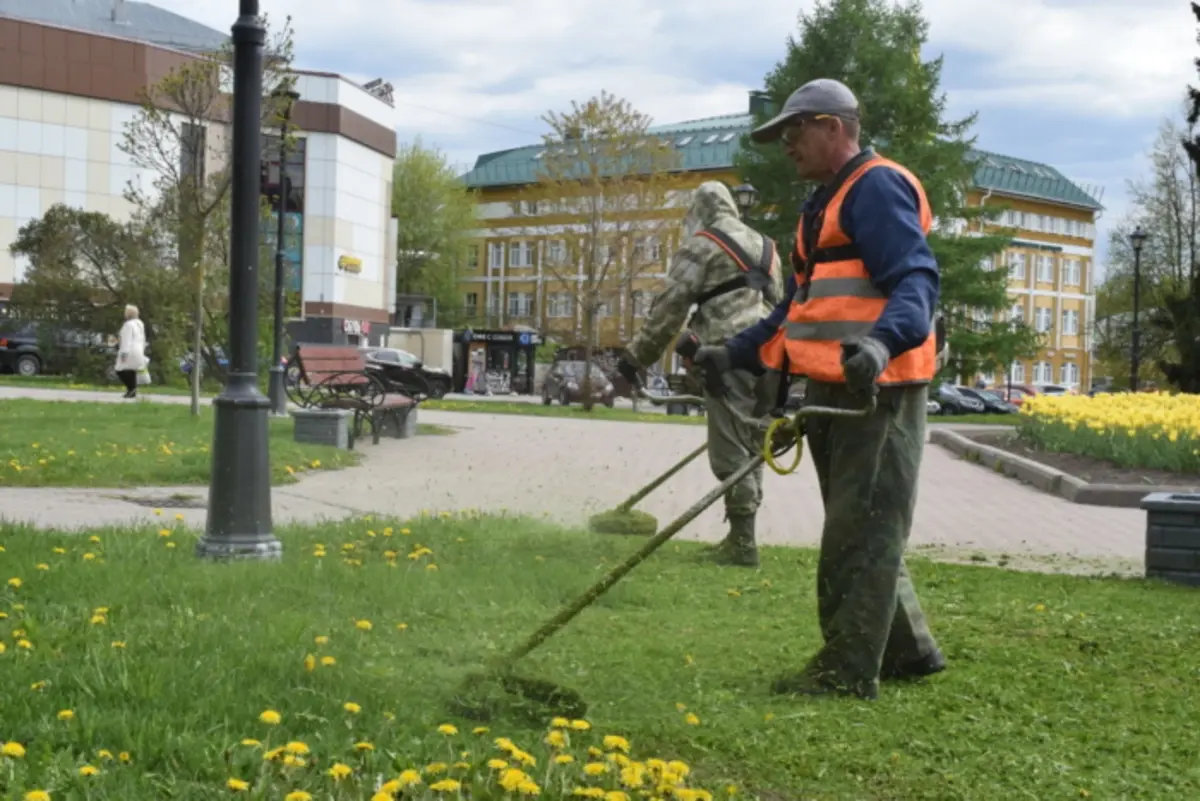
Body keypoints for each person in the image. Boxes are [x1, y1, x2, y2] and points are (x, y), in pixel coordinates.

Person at [692, 78, 945, 700]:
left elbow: (916, 279)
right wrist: (735, 352)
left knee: (859, 534)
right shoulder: (825, 204)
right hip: (837, 390)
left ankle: (847, 671)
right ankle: (910, 652)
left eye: (794, 130)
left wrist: (883, 343)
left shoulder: (875, 186)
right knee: (863, 523)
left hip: (877, 391)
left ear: (834, 127)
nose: (785, 145)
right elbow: (798, 312)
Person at [617, 181, 784, 568]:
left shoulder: (702, 245)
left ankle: (743, 545)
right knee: (754, 445)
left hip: (728, 356)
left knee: (729, 450)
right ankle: (744, 535)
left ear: (700, 211)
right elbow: (780, 305)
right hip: (771, 357)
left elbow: (670, 306)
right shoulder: (768, 247)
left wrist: (635, 359)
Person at [115, 304, 147, 399]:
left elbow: (126, 339)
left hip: (130, 350)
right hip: (139, 350)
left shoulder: (128, 325)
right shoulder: (140, 324)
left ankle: (131, 389)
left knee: (119, 369)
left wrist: (124, 353)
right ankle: (132, 390)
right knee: (131, 370)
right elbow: (143, 338)